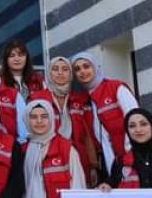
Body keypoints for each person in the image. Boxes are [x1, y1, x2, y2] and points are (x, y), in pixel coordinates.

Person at [28, 57, 100, 186]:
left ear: (71, 74)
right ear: (49, 74)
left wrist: (93, 165)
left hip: (77, 157)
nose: (60, 73)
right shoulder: (37, 98)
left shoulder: (79, 100)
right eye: (55, 69)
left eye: (65, 69)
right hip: (48, 159)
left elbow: (87, 134)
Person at [72, 51, 139, 184]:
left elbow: (135, 118)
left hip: (129, 159)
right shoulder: (83, 100)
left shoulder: (115, 87)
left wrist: (129, 154)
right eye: (77, 69)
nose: (82, 71)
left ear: (95, 67)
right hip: (107, 164)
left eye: (86, 66)